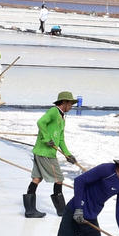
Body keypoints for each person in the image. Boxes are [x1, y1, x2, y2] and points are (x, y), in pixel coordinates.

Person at [24, 90, 80, 218]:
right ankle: (62, 211)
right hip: (46, 153)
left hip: (42, 152)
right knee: (59, 179)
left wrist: (67, 154)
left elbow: (60, 139)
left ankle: (30, 210)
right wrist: (45, 138)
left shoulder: (62, 117)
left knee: (36, 179)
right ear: (64, 102)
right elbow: (40, 122)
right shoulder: (54, 111)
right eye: (70, 104)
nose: (71, 107)